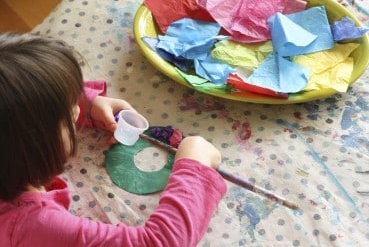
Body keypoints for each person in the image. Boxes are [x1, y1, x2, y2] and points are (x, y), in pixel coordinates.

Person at [0, 32, 226, 246]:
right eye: (70, 113)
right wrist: (195, 168)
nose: (77, 111)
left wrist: (88, 102)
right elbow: (161, 242)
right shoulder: (30, 227)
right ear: (33, 143)